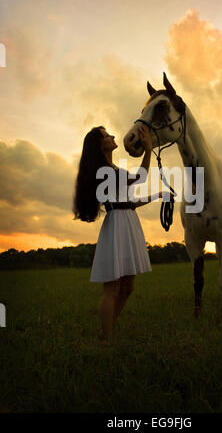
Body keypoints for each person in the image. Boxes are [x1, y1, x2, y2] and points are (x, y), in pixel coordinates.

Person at [73, 124, 167, 344]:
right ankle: (105, 340)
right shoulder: (103, 171)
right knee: (112, 288)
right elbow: (141, 177)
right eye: (106, 136)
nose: (112, 136)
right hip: (118, 225)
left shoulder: (111, 168)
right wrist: (148, 149)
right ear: (99, 145)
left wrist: (158, 194)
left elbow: (130, 202)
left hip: (127, 220)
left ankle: (108, 329)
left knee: (128, 287)